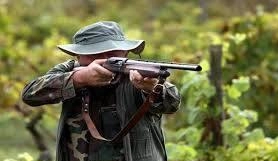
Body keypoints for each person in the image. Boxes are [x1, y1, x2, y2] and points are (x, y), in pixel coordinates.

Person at [22, 21, 181, 161]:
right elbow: (30, 94)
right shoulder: (70, 70)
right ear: (79, 56)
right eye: (96, 53)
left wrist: (152, 89)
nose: (105, 58)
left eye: (113, 53)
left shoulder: (139, 74)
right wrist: (79, 79)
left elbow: (172, 102)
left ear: (125, 52)